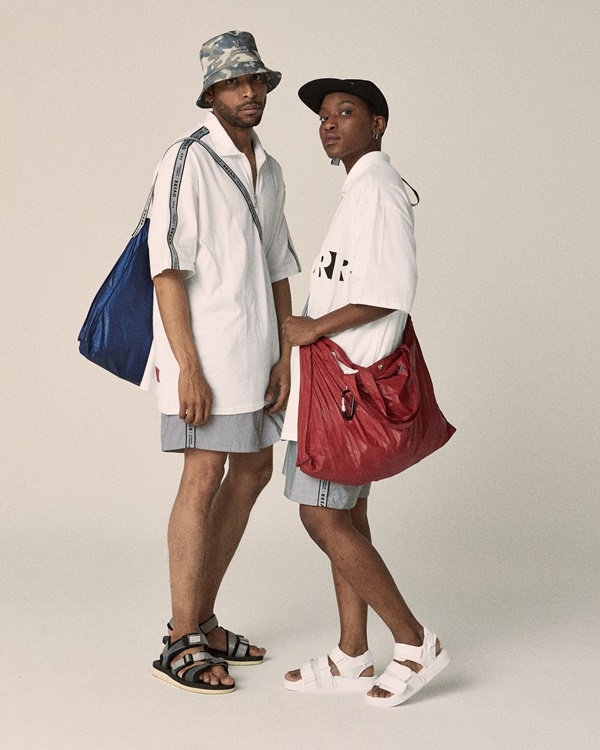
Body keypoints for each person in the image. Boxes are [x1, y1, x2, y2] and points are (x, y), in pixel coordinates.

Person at [280, 78, 449, 706]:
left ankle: (415, 641)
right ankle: (352, 654)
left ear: (377, 124)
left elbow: (390, 290)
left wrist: (311, 328)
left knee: (321, 515)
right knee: (347, 516)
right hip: (338, 378)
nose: (329, 124)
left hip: (345, 383)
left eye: (345, 113)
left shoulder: (377, 188)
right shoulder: (361, 187)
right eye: (324, 116)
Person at [144, 30, 300, 694]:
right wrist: (188, 366)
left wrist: (286, 356)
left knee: (255, 470)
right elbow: (165, 268)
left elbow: (279, 267)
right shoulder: (187, 157)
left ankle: (202, 619)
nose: (249, 92)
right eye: (235, 82)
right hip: (204, 350)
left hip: (257, 350)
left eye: (256, 80)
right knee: (203, 475)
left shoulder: (271, 167)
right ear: (211, 93)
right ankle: (180, 638)